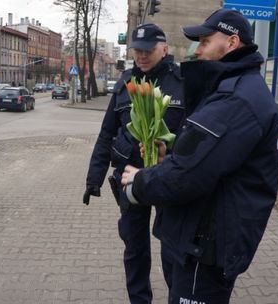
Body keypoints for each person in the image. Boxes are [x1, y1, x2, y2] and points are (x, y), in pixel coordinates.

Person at [121, 9, 278, 303]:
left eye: (206, 41)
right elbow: (205, 159)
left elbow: (188, 175)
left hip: (206, 246)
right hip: (200, 237)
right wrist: (165, 157)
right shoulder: (234, 89)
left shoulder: (236, 99)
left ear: (232, 43)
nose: (199, 49)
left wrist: (140, 182)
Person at [83, 23, 185, 304]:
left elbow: (193, 135)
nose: (142, 55)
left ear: (164, 48)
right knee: (134, 246)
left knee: (172, 248)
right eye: (137, 50)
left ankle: (177, 297)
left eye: (148, 50)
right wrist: (94, 178)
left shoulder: (181, 82)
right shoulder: (125, 84)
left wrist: (173, 153)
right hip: (129, 178)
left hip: (168, 176)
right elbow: (106, 133)